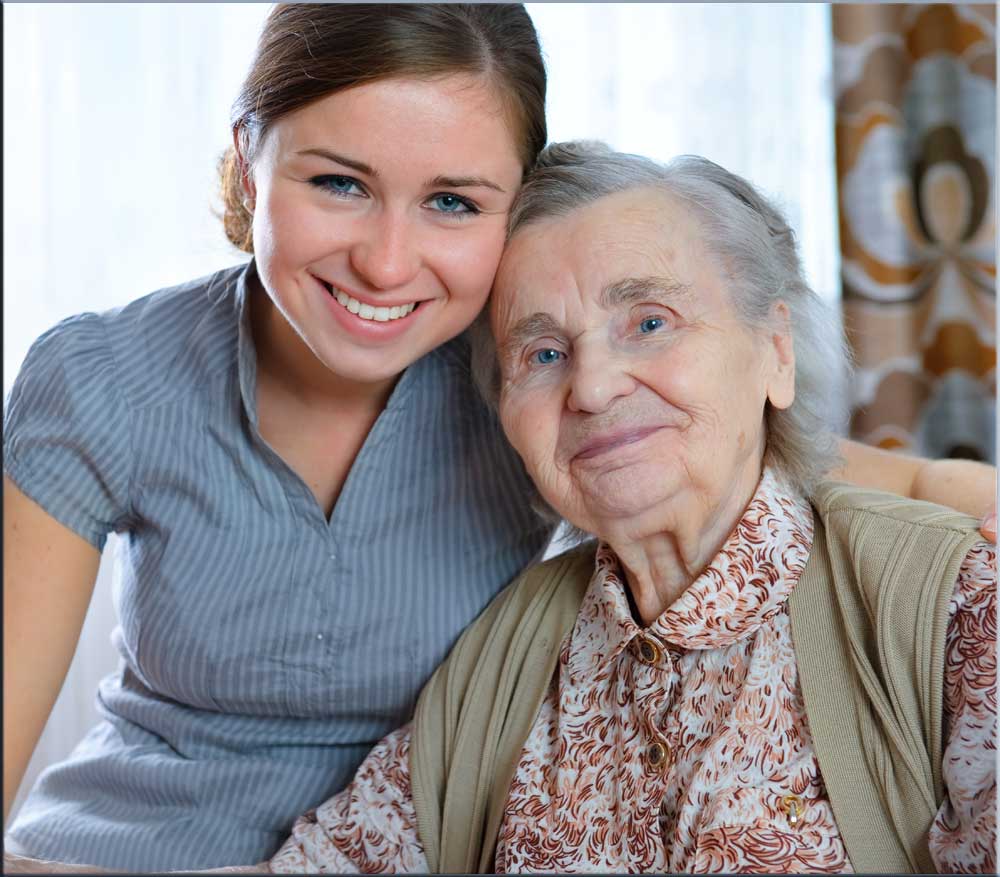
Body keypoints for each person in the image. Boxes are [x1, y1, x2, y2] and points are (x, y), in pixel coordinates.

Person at [2, 5, 994, 871]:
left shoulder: (523, 370)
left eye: (451, 202)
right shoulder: (104, 380)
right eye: (339, 183)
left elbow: (753, 447)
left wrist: (955, 496)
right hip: (122, 852)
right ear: (247, 163)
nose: (387, 265)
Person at [258, 144, 996, 874]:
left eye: (649, 322)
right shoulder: (501, 658)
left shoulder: (955, 604)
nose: (594, 386)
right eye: (542, 354)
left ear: (775, 350)